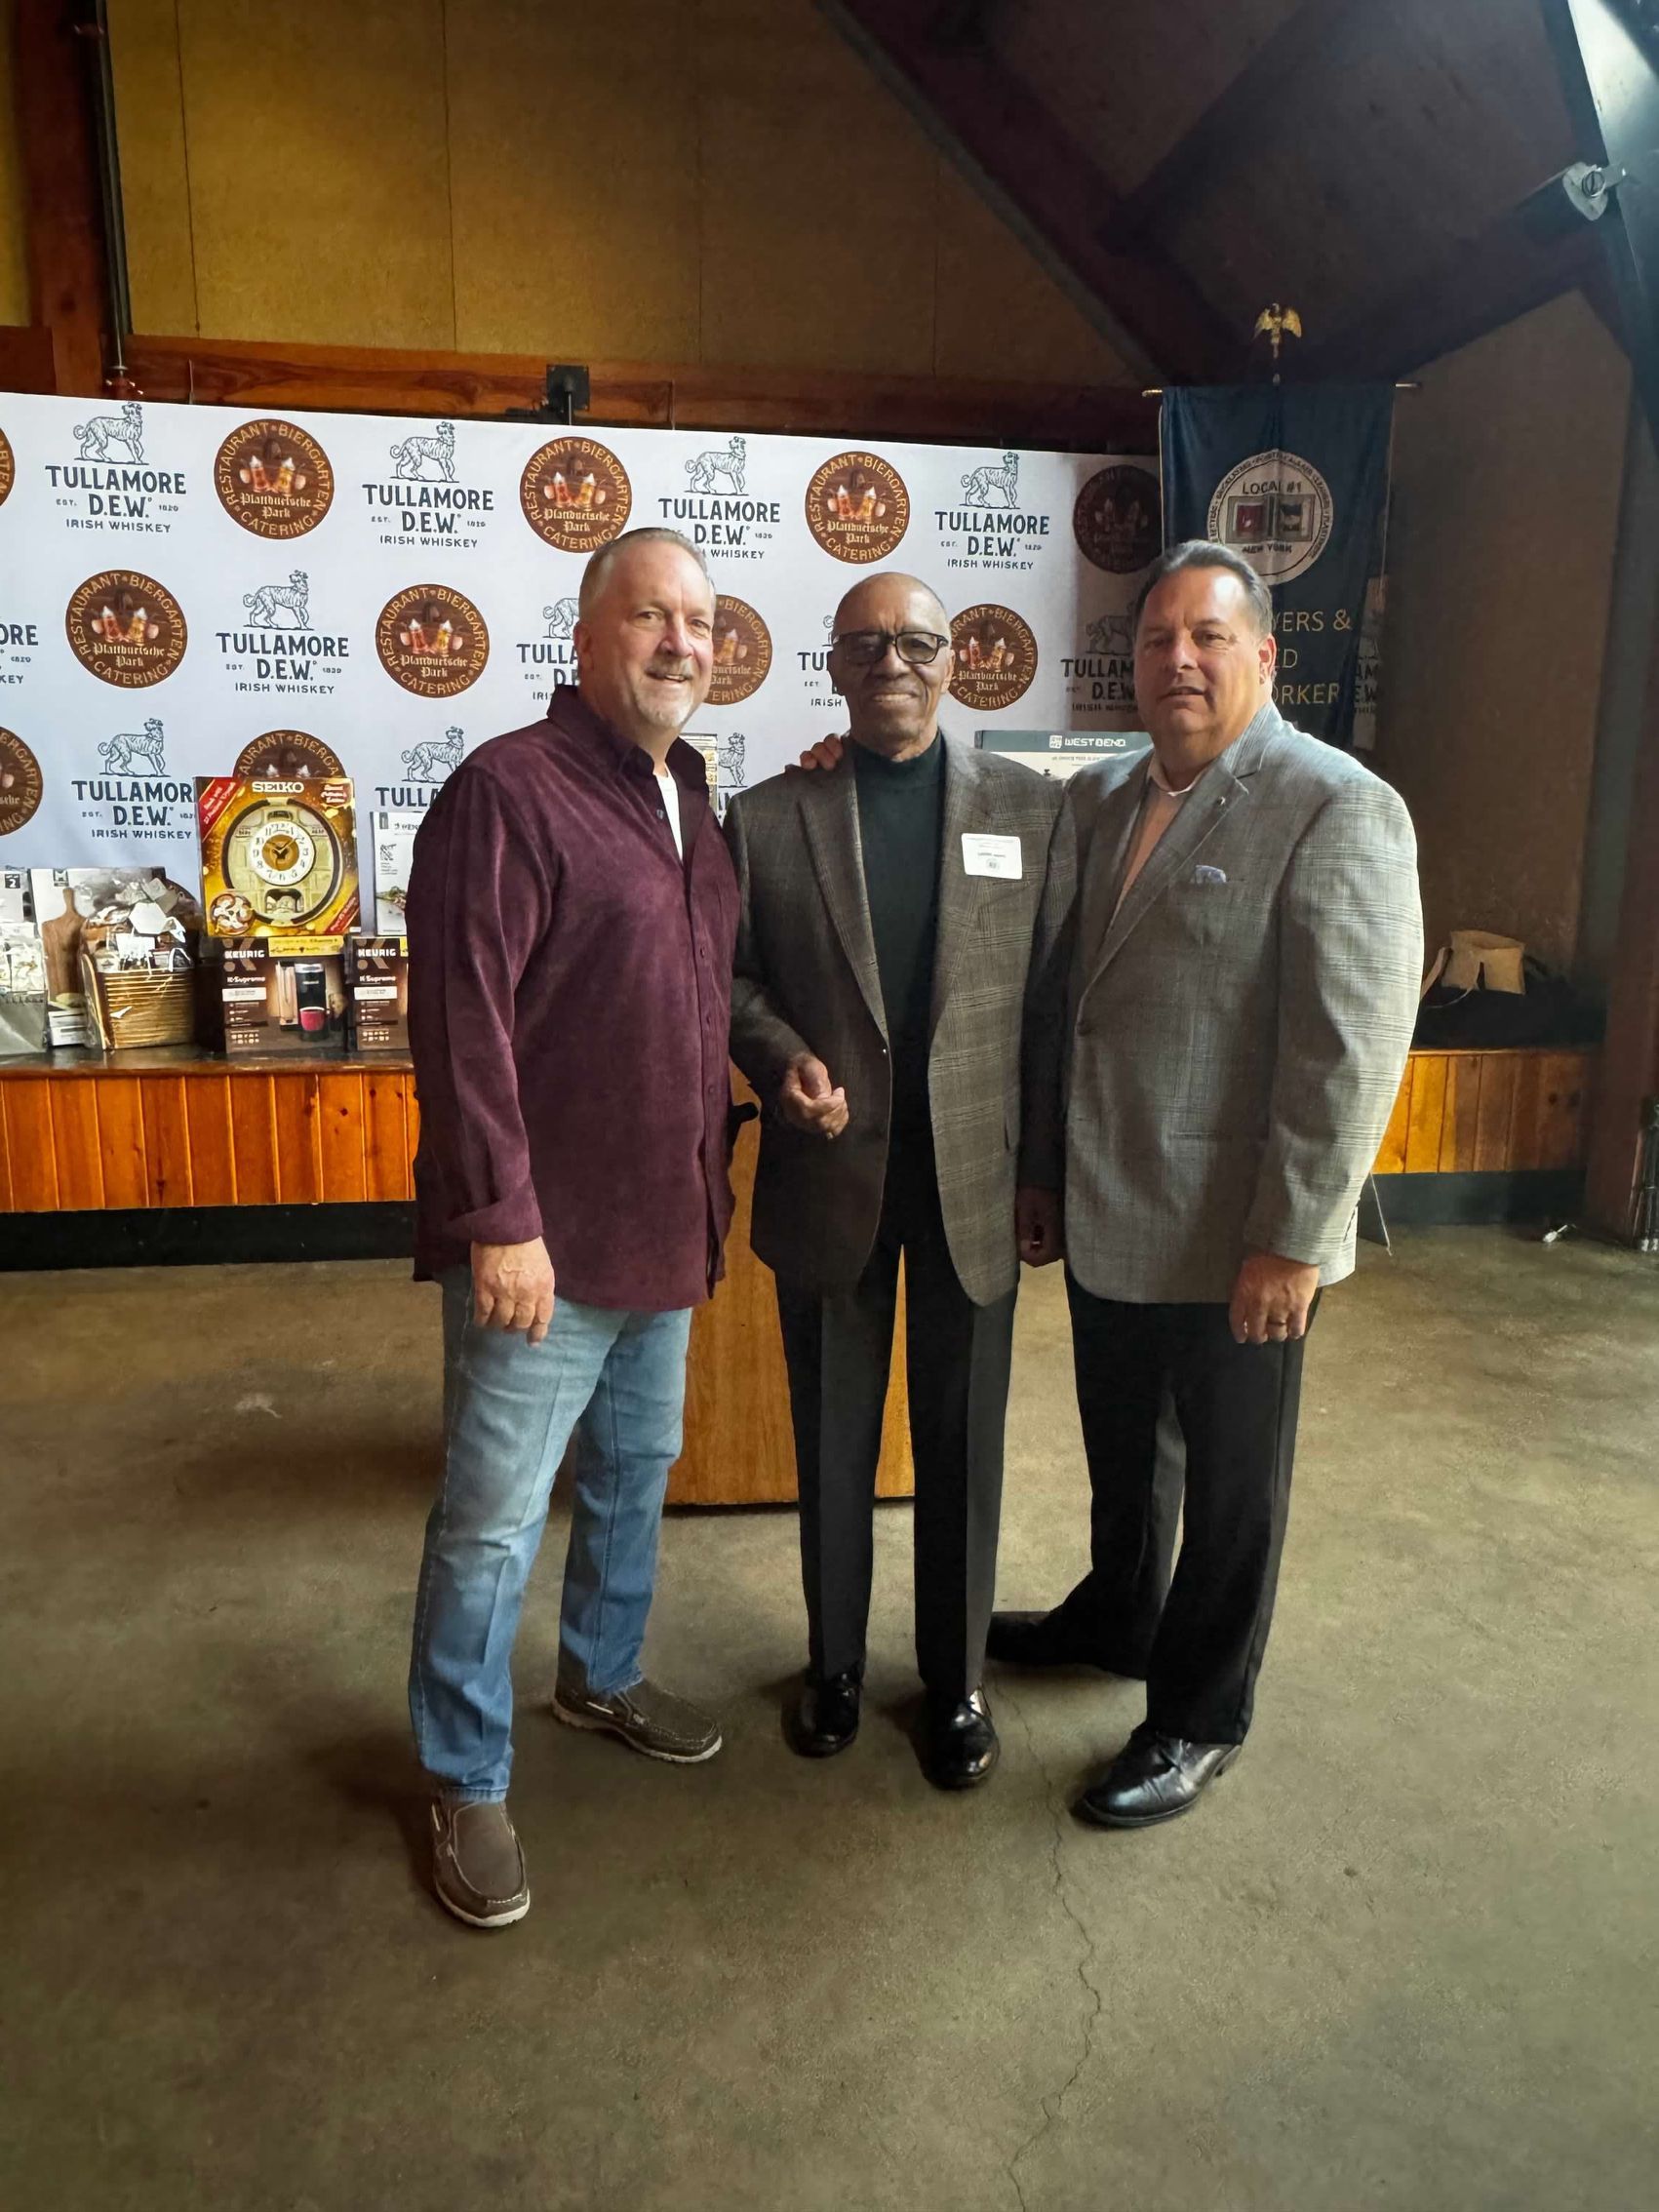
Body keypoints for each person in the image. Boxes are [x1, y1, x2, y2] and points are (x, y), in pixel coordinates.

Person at [989, 540, 1422, 1829]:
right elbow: (1064, 1005)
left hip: (1241, 1238)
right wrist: (1041, 1169)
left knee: (1234, 1492)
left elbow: (1349, 1050)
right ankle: (1120, 1614)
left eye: (1208, 636)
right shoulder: (1099, 798)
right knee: (1125, 1453)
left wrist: (1295, 1240)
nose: (1178, 659)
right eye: (1156, 638)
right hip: (1109, 1209)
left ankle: (1198, 1713)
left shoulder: (1335, 805)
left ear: (1266, 657)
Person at [405, 528, 738, 1927]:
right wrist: (499, 1219)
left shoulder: (690, 796)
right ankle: (460, 1771)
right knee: (492, 1524)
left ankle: (599, 1676)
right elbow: (461, 1021)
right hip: (542, 1252)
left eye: (700, 623)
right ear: (589, 636)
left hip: (665, 1230)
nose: (680, 642)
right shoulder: (509, 791)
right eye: (650, 616)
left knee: (633, 1474)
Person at [724, 572, 1073, 1790]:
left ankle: (956, 1683)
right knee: (833, 1441)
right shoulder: (769, 816)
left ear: (954, 662)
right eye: (867, 644)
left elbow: (1049, 1006)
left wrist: (1043, 1171)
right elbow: (733, 981)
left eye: (918, 643)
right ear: (833, 664)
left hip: (976, 1184)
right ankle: (832, 1666)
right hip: (830, 1175)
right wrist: (782, 1059)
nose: (894, 663)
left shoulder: (1031, 811)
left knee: (964, 1446)